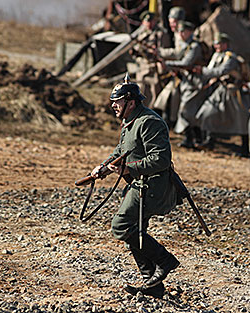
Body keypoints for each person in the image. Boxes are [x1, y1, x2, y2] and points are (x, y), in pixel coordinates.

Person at [90, 74, 179, 299]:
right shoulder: (130, 121)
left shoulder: (149, 121)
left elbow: (161, 159)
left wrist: (128, 169)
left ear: (131, 102)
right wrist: (102, 167)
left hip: (153, 186)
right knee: (136, 233)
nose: (113, 105)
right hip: (139, 184)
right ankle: (153, 283)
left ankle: (164, 260)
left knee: (121, 225)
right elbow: (121, 151)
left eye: (117, 101)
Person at [195, 32, 250, 154]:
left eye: (219, 44)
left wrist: (202, 71)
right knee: (208, 112)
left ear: (225, 44)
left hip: (233, 91)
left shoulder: (230, 58)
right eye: (215, 44)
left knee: (241, 119)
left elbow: (221, 71)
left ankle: (245, 148)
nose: (217, 46)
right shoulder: (216, 56)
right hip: (220, 89)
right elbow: (211, 71)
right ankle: (209, 141)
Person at [161, 21, 204, 148]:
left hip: (195, 83)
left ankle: (193, 138)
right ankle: (192, 138)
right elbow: (175, 54)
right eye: (179, 31)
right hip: (187, 82)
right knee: (188, 111)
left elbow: (186, 62)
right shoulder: (185, 45)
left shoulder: (194, 46)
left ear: (190, 32)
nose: (180, 34)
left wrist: (169, 65)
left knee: (187, 110)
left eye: (183, 31)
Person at [131, 11, 170, 108]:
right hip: (142, 67)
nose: (148, 24)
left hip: (153, 69)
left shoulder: (160, 33)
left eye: (150, 21)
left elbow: (164, 52)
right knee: (140, 92)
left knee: (153, 95)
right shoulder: (141, 33)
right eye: (146, 21)